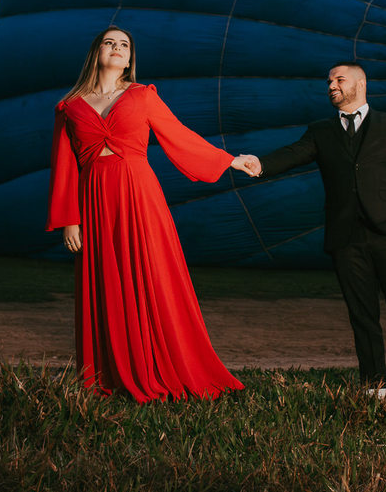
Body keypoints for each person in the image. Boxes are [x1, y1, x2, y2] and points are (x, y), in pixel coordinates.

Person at [47, 26, 256, 402]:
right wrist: (69, 219)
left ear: (130, 59)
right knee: (106, 282)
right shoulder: (69, 107)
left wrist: (229, 160)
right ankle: (112, 372)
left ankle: (166, 365)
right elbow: (64, 167)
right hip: (95, 198)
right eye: (110, 42)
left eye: (124, 45)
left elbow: (179, 135)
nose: (117, 48)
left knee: (152, 273)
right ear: (97, 51)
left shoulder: (143, 96)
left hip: (139, 192)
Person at [239, 62, 386, 399]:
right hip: (347, 238)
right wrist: (261, 164)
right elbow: (293, 153)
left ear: (360, 84)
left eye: (339, 79)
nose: (331, 85)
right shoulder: (321, 130)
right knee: (362, 315)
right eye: (329, 81)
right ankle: (375, 385)